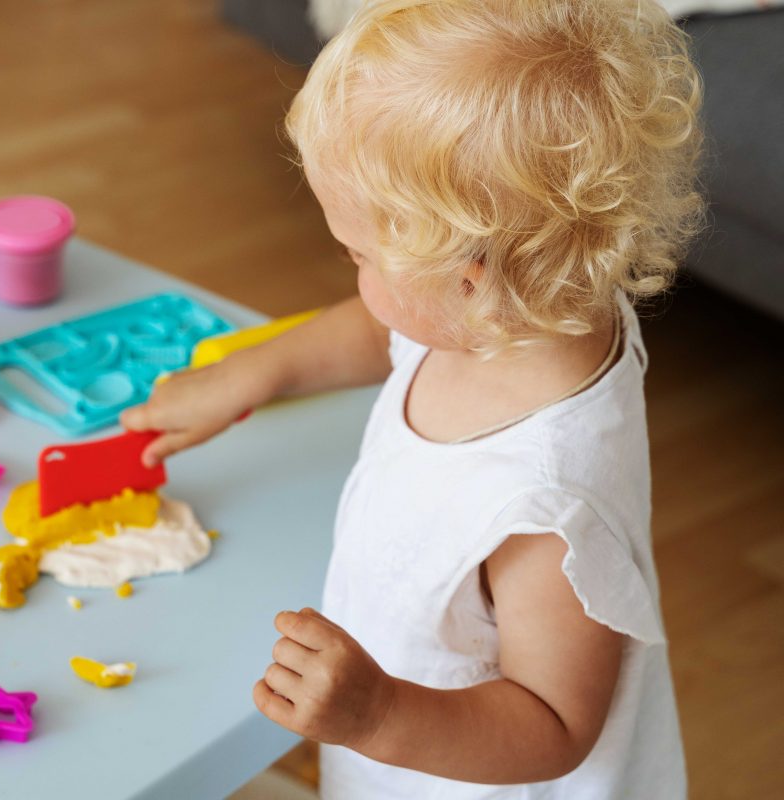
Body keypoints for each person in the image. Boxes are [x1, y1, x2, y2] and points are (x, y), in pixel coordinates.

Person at [121, 0, 703, 796]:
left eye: (358, 252)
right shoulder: (522, 310)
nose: (352, 271)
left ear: (468, 283)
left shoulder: (544, 506)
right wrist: (252, 373)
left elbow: (557, 725)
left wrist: (376, 714)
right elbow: (388, 327)